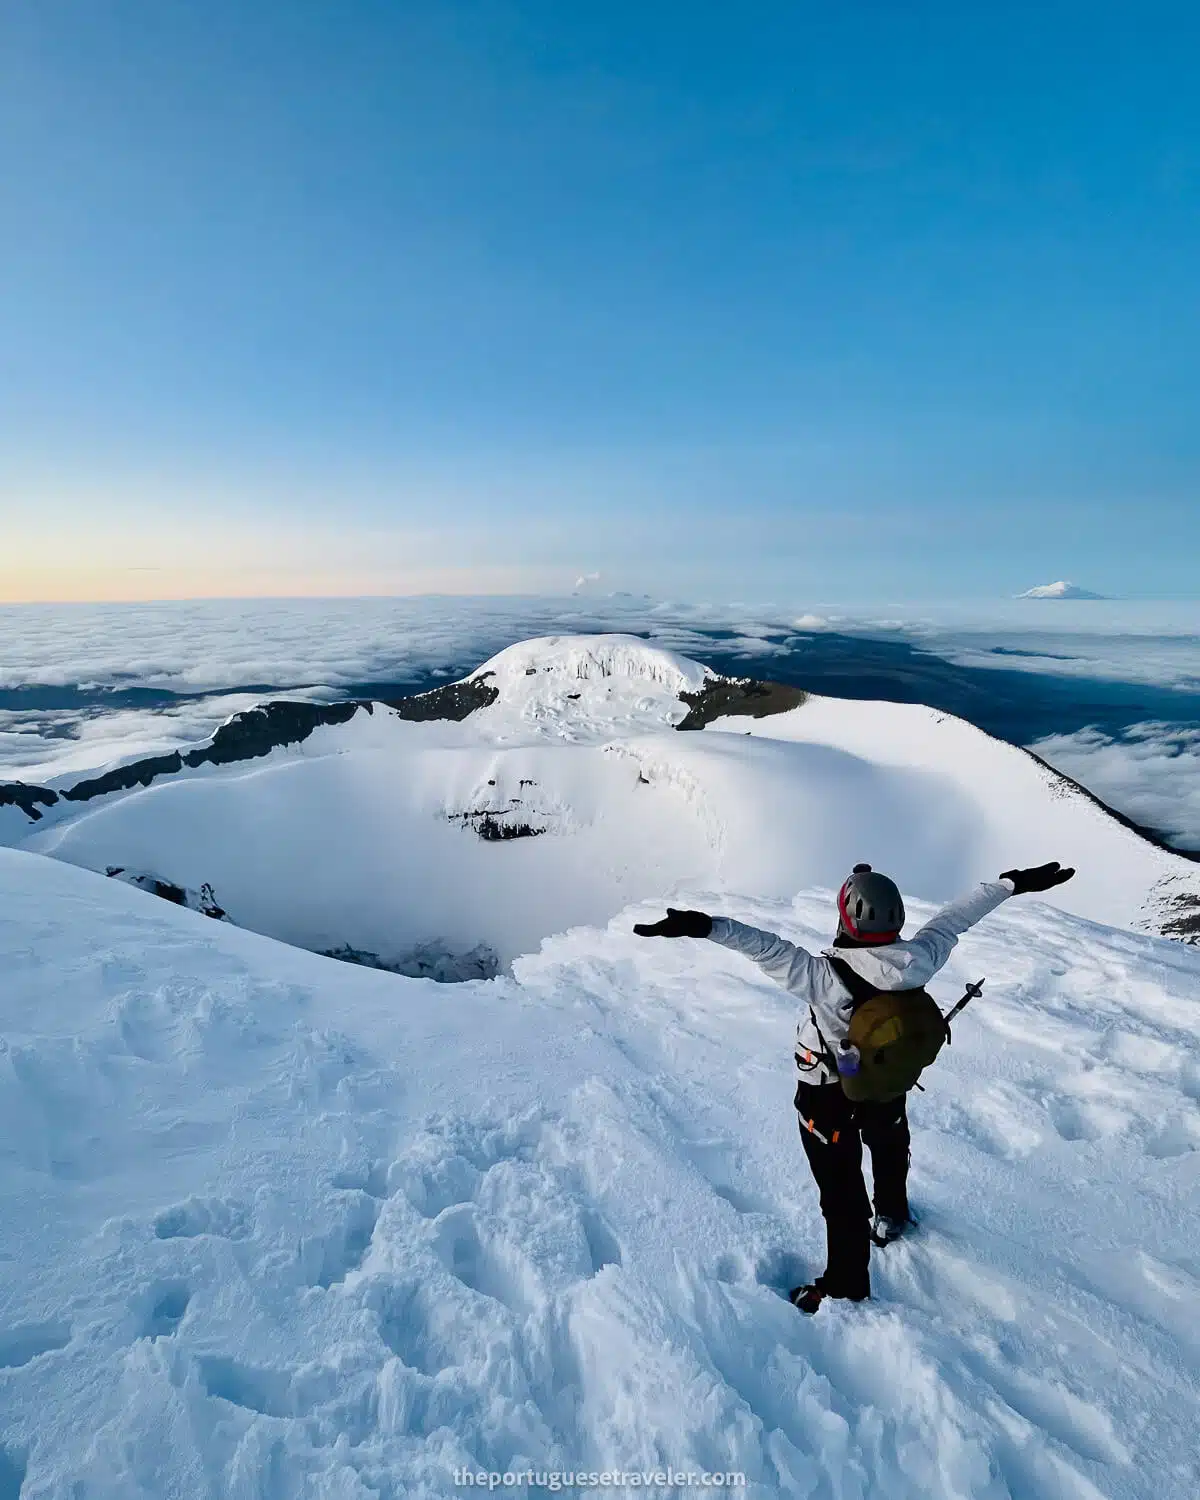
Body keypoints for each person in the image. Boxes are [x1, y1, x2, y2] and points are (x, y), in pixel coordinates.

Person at [634, 860, 1075, 1313]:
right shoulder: (922, 958)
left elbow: (763, 947)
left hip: (827, 1093)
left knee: (841, 1191)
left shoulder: (823, 978)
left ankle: (846, 1285)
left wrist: (705, 925)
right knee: (888, 1140)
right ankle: (892, 1213)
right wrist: (1012, 884)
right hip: (888, 1080)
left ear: (845, 919)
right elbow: (956, 917)